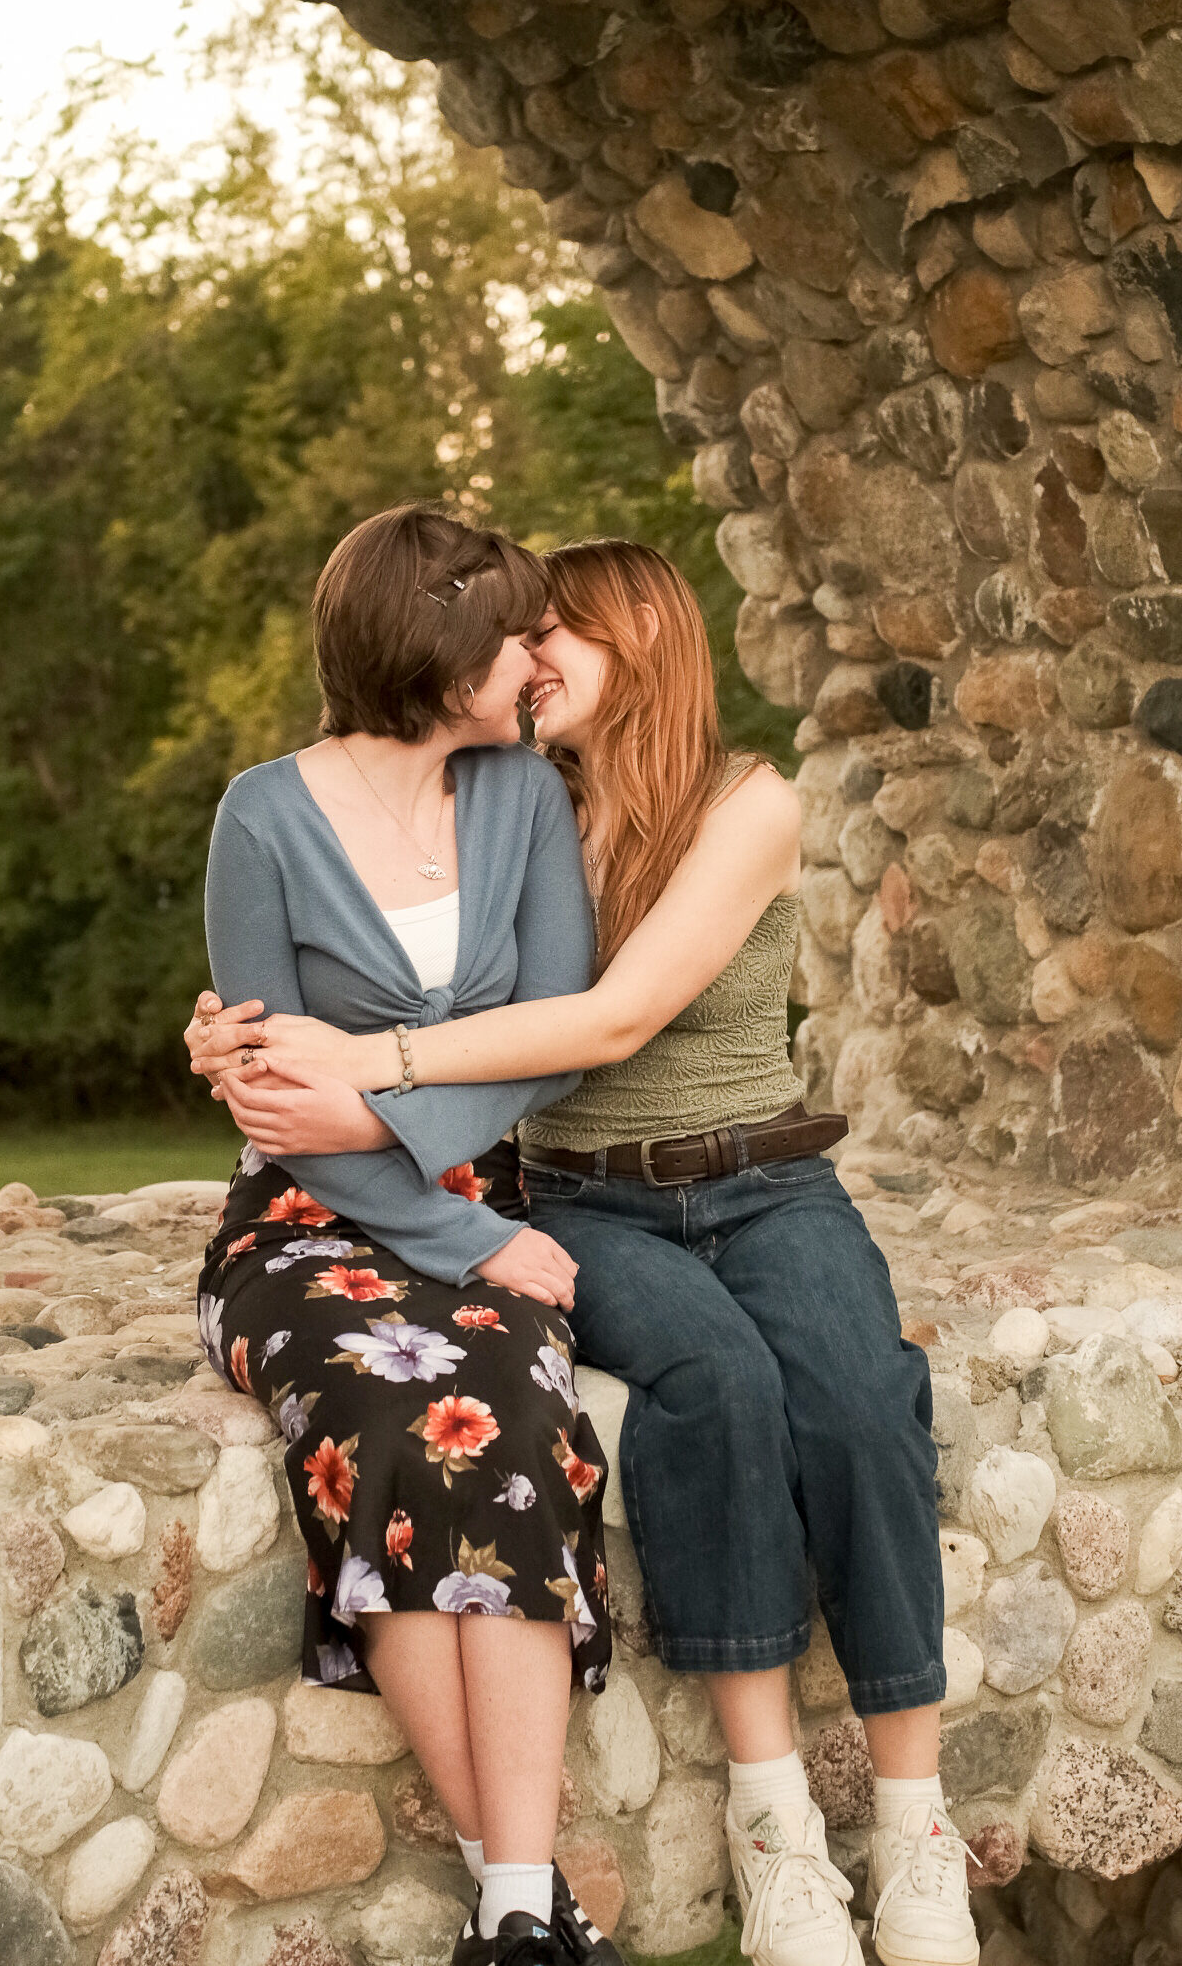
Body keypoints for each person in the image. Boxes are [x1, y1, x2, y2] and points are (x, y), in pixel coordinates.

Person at [192, 539, 976, 1966]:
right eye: (520, 634)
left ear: (651, 641)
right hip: (583, 1201)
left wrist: (368, 1067)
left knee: (862, 1397)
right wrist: (236, 1044)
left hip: (763, 1180)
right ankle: (771, 1820)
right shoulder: (515, 789)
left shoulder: (739, 806)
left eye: (563, 632)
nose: (532, 655)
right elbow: (326, 968)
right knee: (715, 1386)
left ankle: (917, 1825)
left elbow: (593, 1025)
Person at [194, 504, 622, 1966]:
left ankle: (510, 1912)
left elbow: (548, 1039)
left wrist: (428, 1169)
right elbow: (267, 1097)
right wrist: (447, 1235)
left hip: (468, 1197)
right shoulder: (261, 815)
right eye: (512, 631)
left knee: (503, 1407)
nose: (533, 658)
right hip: (306, 1227)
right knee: (386, 1417)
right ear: (438, 650)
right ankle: (533, 1906)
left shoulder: (525, 797)